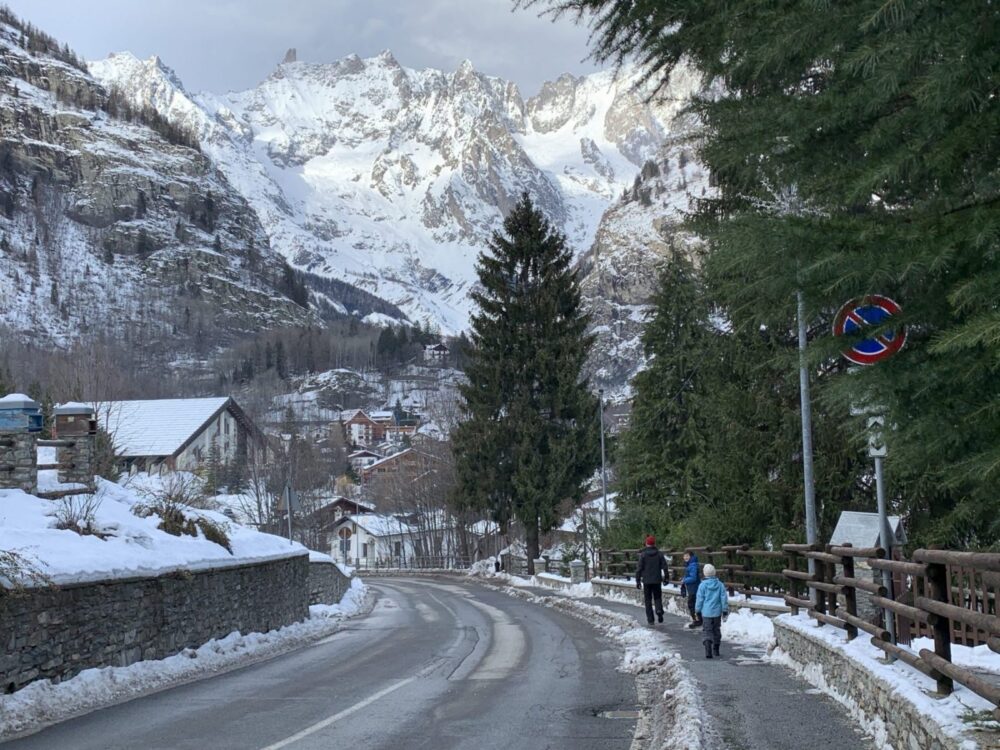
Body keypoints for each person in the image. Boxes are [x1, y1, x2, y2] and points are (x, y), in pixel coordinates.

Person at [695, 563, 729, 658]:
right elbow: (723, 598)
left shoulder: (702, 586)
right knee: (716, 630)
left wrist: (697, 610)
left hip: (706, 613)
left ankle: (708, 648)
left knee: (707, 630)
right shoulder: (720, 585)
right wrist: (725, 610)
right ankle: (716, 649)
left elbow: (700, 599)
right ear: (714, 573)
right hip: (717, 613)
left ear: (704, 573)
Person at [635, 535, 669, 624]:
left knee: (648, 600)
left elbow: (639, 569)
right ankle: (659, 610)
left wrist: (638, 580)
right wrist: (666, 578)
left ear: (646, 543)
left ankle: (650, 619)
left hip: (646, 580)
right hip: (657, 580)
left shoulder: (643, 555)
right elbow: (665, 567)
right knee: (657, 597)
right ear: (654, 544)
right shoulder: (659, 554)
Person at [680, 550, 702, 629]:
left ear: (691, 557)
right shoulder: (691, 565)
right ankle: (698, 620)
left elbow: (693, 578)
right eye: (684, 556)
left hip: (694, 589)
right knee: (694, 605)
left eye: (687, 556)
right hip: (693, 589)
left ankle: (697, 621)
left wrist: (684, 580)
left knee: (692, 605)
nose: (685, 557)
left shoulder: (692, 565)